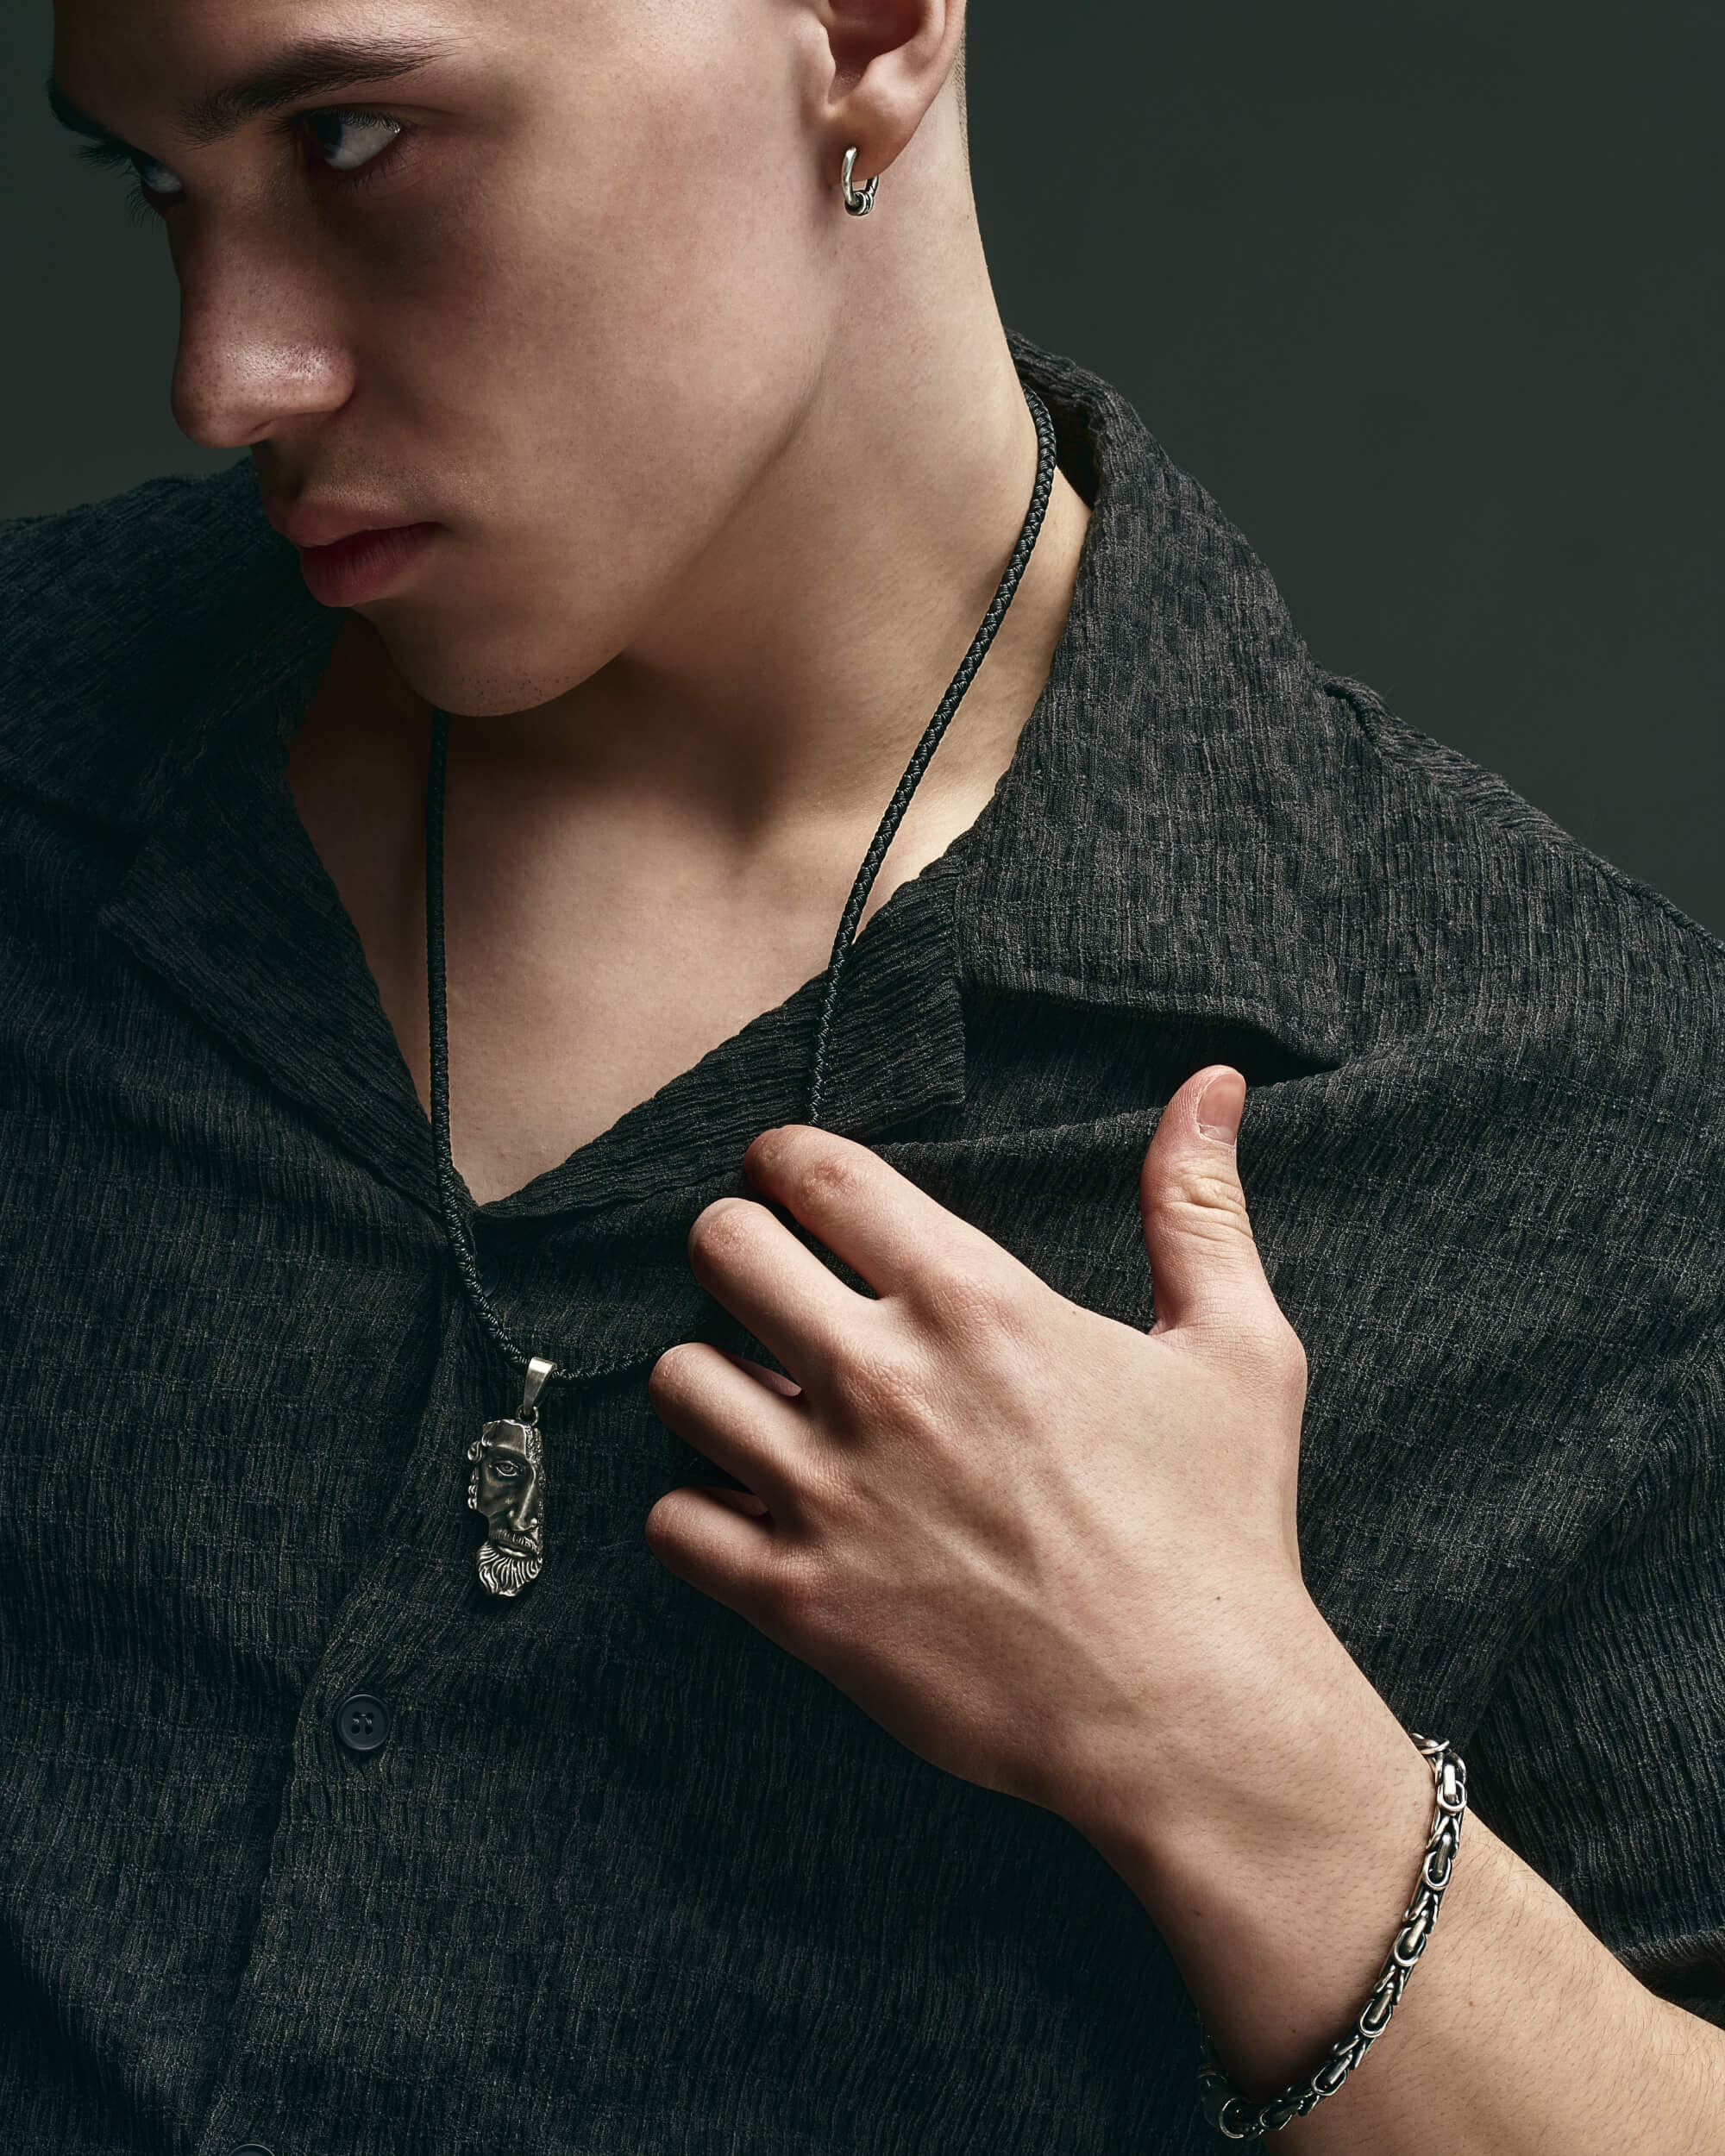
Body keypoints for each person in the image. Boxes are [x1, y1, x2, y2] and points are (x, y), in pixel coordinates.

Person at [3, 0, 1721, 2148]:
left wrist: (1253, 1770)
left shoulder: (1585, 1114)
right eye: (158, 181)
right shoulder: (36, 753)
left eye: (354, 139)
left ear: (863, 28)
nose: (224, 372)